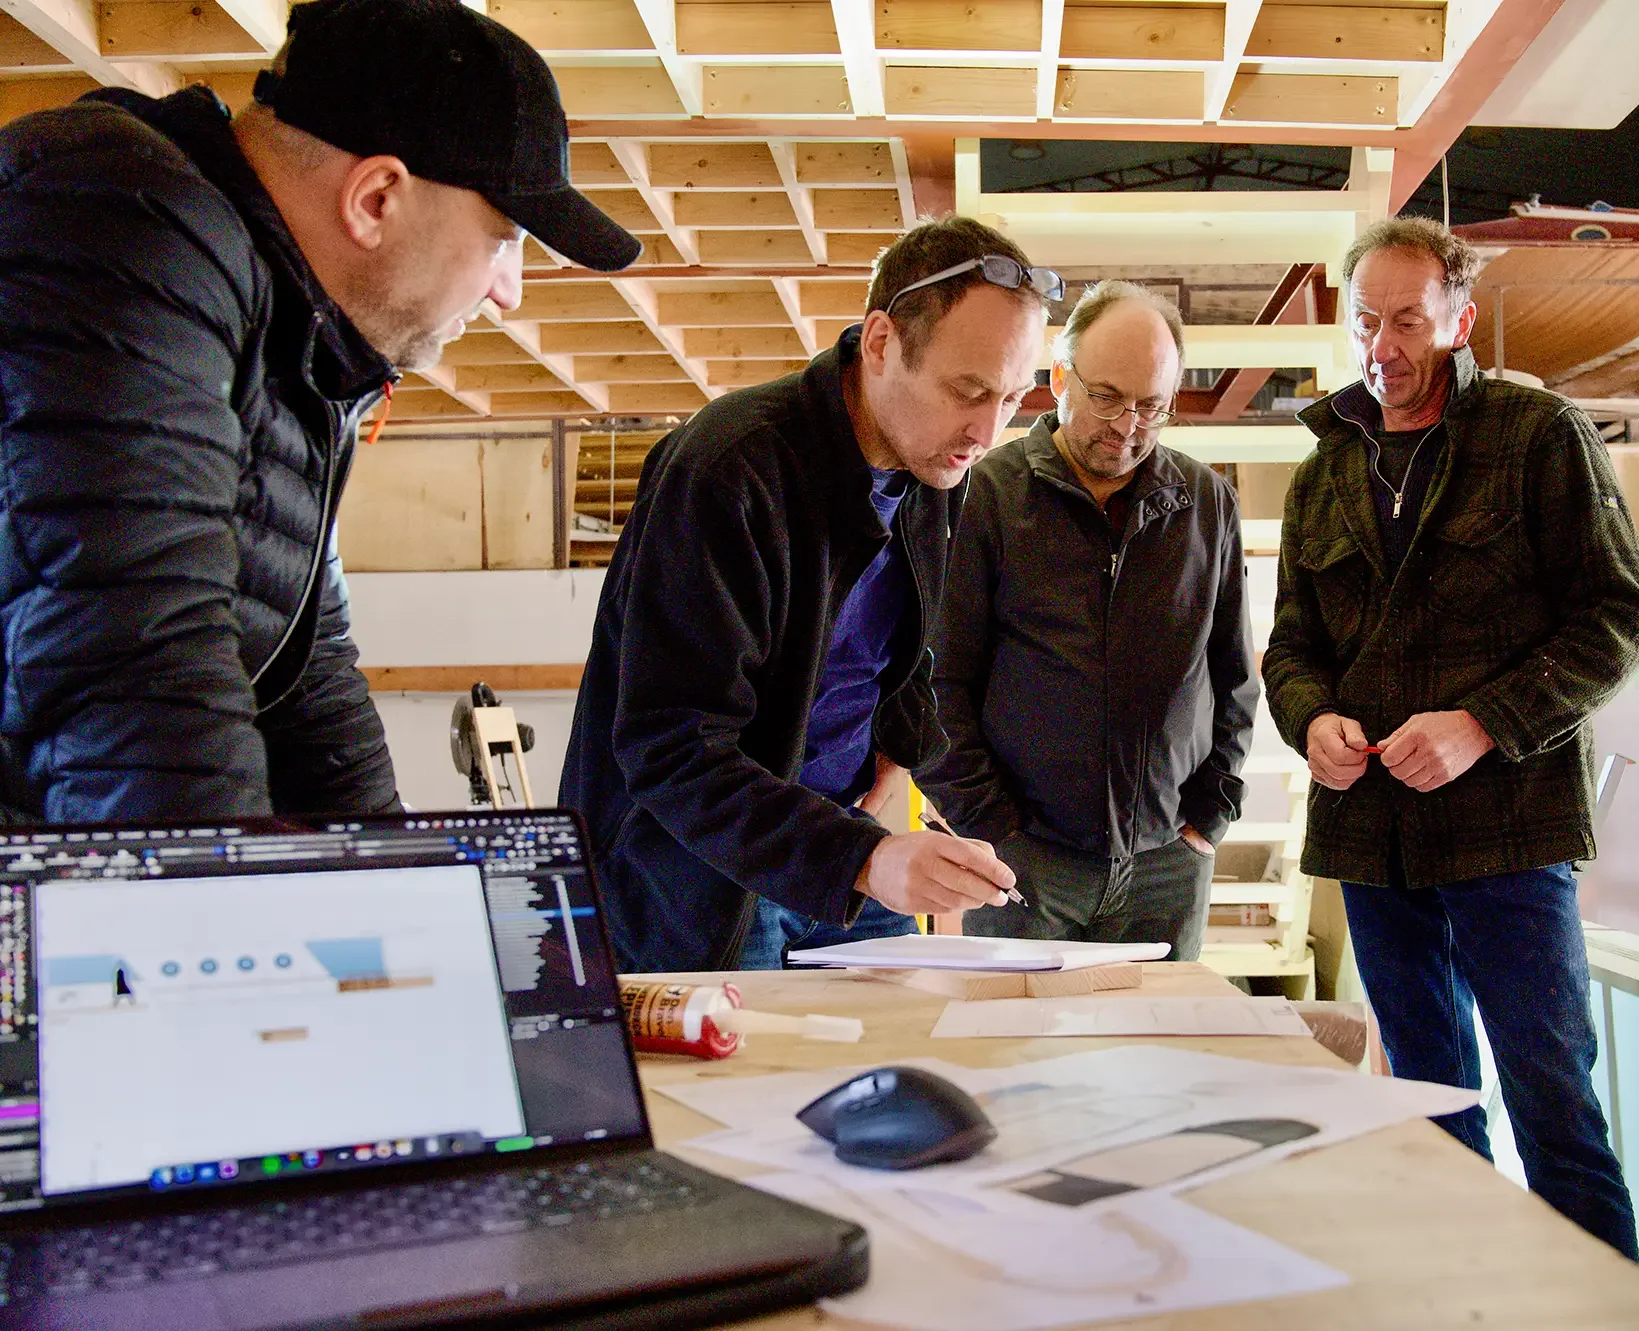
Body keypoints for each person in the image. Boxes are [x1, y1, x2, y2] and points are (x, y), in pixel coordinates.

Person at [0, 0, 637, 823]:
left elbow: (308, 667)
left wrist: (397, 873)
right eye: (504, 238)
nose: (508, 293)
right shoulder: (122, 228)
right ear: (375, 198)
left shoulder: (300, 343)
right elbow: (134, 662)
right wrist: (231, 896)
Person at [1262, 217, 1639, 1260]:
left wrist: (1484, 724)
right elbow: (1291, 649)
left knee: (1554, 1109)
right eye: (1365, 322)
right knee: (1428, 1113)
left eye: (1407, 321)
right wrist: (1313, 721)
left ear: (1459, 320)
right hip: (1372, 838)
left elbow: (1617, 619)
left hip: (1509, 833)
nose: (1382, 346)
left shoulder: (1536, 436)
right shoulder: (1323, 471)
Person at [561, 219, 1060, 973]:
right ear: (881, 341)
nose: (988, 432)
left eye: (1015, 399)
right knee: (752, 1054)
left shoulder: (933, 466)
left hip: (836, 843)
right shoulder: (729, 469)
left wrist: (899, 751)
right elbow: (669, 747)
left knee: (909, 1031)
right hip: (705, 876)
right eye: (969, 391)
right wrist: (865, 858)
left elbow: (906, 645)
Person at [920, 281, 1258, 961]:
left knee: (1157, 1033)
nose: (1127, 426)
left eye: (1151, 406)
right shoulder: (984, 495)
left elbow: (1234, 676)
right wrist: (990, 824)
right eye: (1106, 397)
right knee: (1023, 1029)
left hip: (1168, 866)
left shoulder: (1207, 504)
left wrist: (1210, 815)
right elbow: (934, 680)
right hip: (1027, 865)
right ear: (1059, 378)